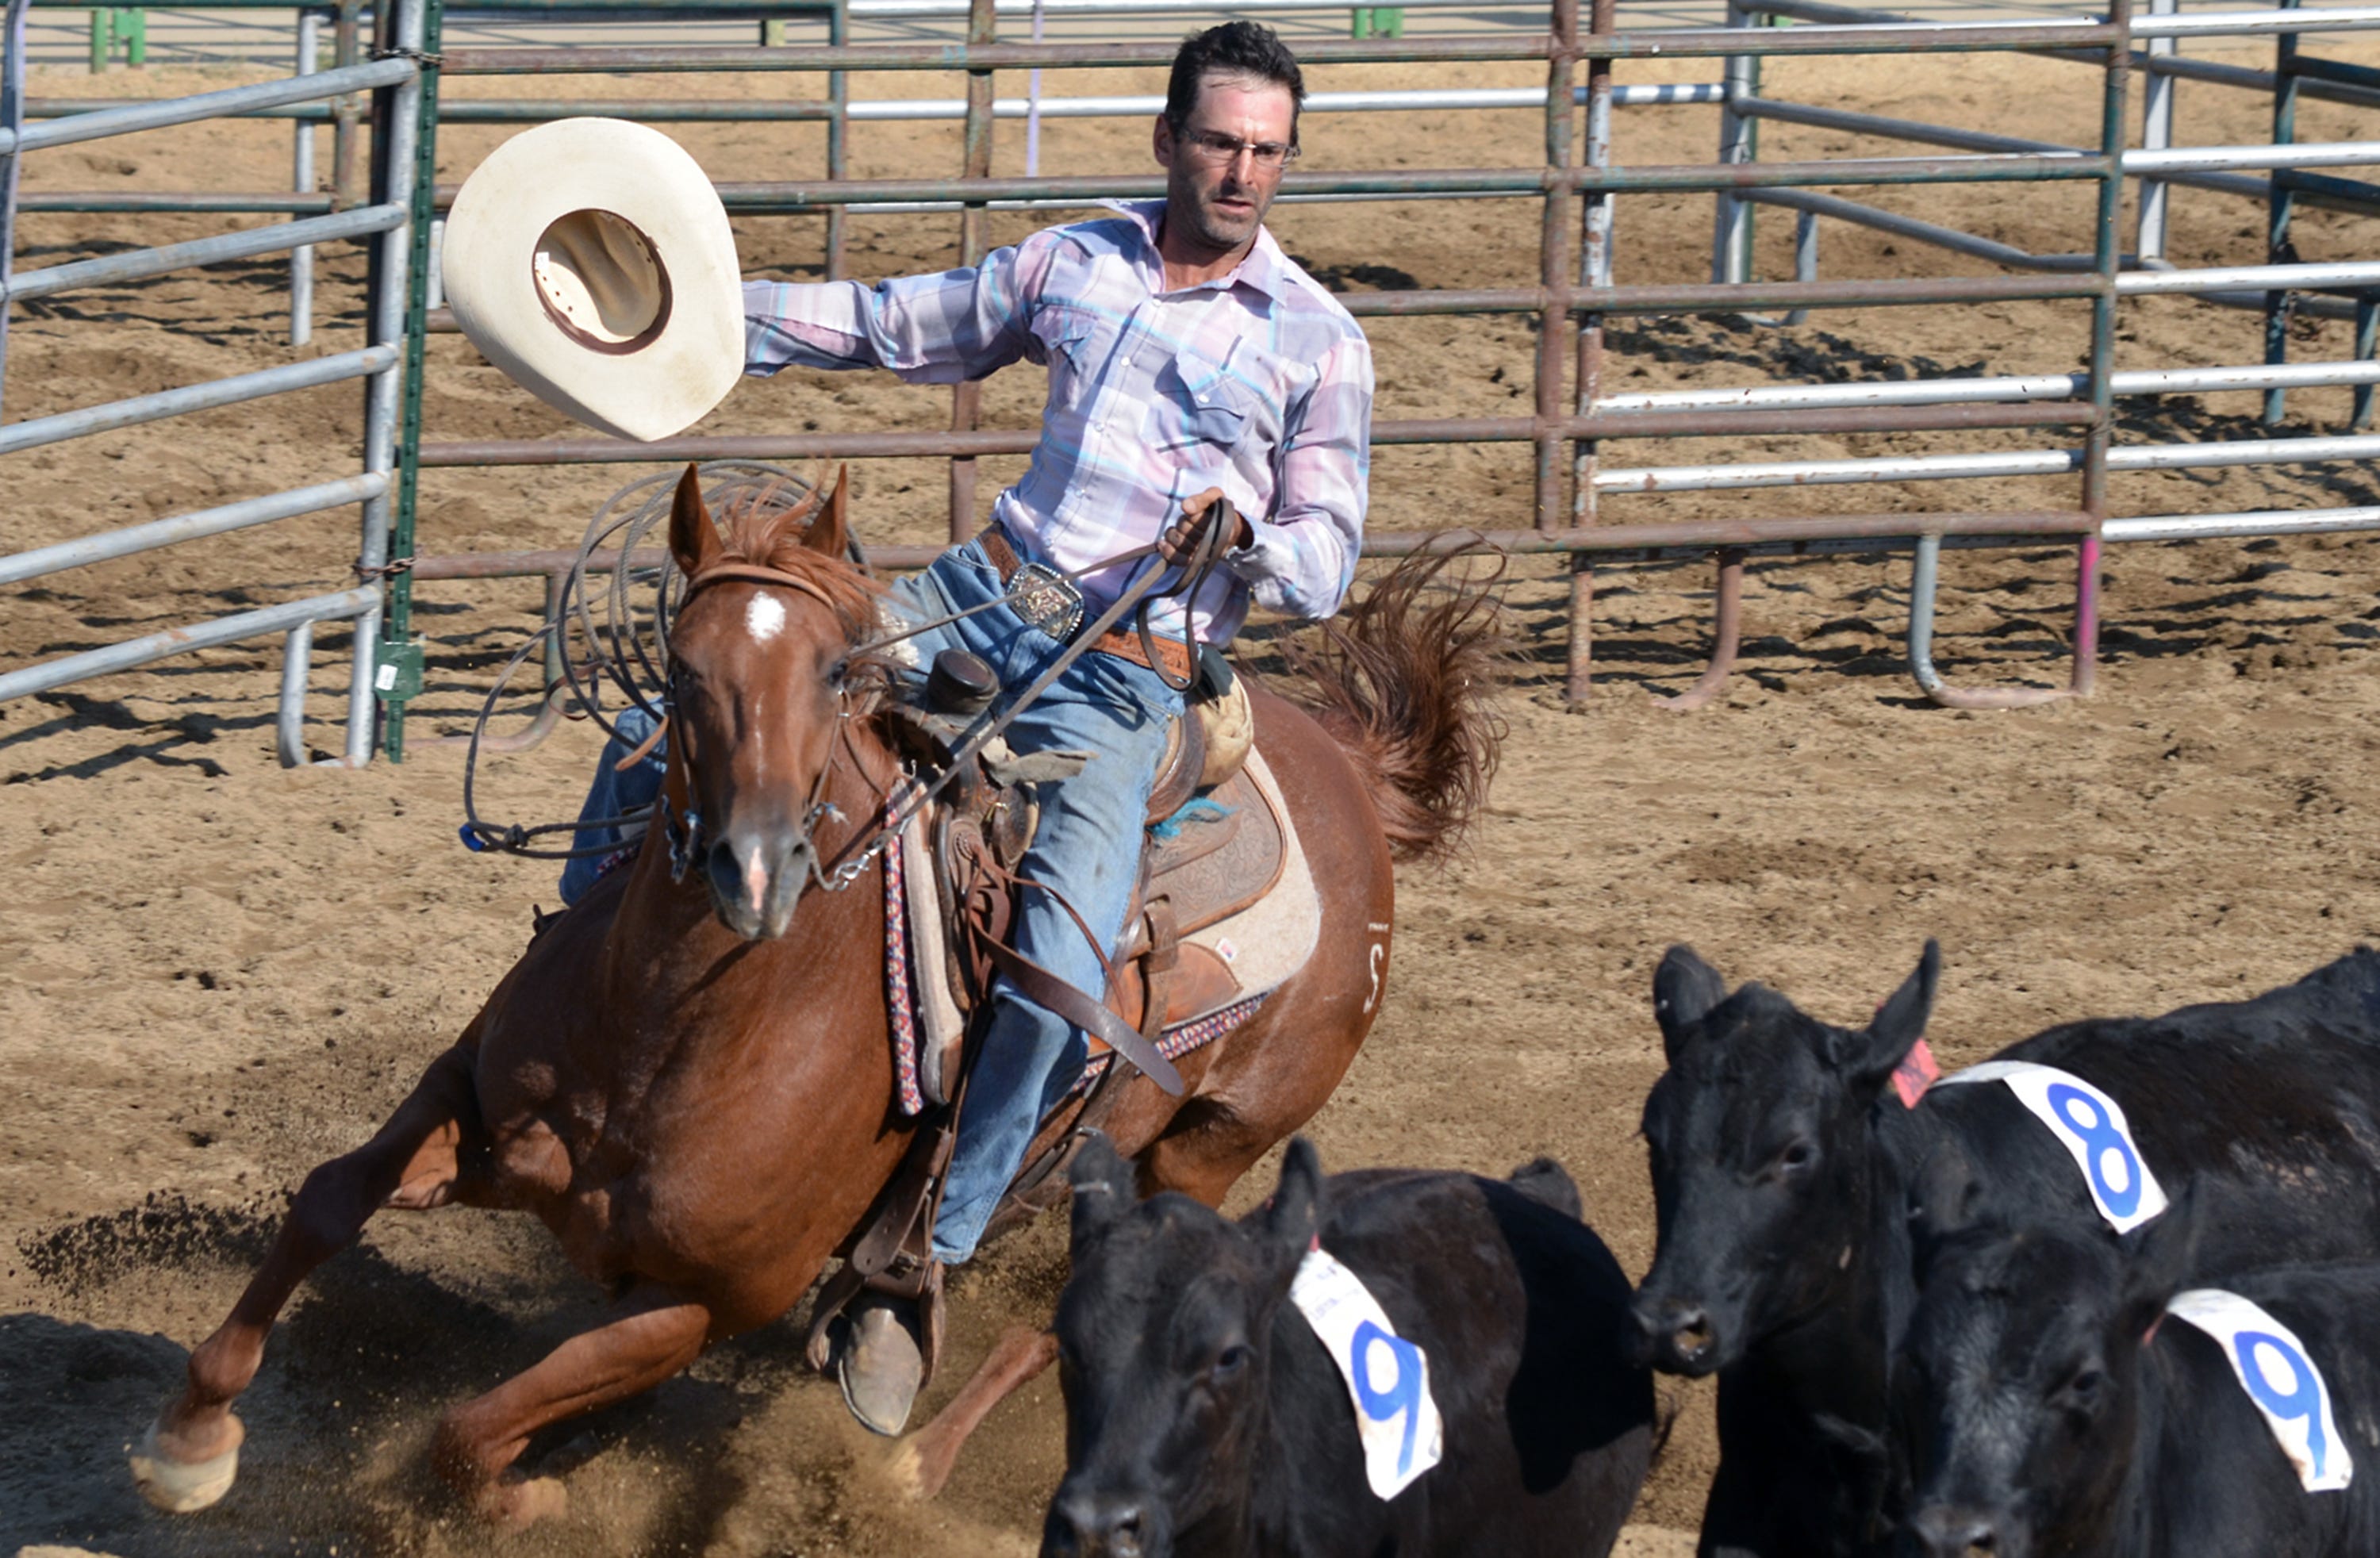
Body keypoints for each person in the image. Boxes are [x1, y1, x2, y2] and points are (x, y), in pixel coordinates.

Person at [562, 19, 1372, 1433]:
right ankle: (587, 1011)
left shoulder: (1317, 340)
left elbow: (1328, 556)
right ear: (1169, 139)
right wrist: (717, 319)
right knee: (684, 728)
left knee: (1060, 961)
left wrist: (1243, 532)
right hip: (979, 595)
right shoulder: (1078, 262)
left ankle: (917, 1261)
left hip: (1134, 671)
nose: (1243, 172)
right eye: (1221, 142)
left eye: (1267, 151)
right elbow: (898, 324)